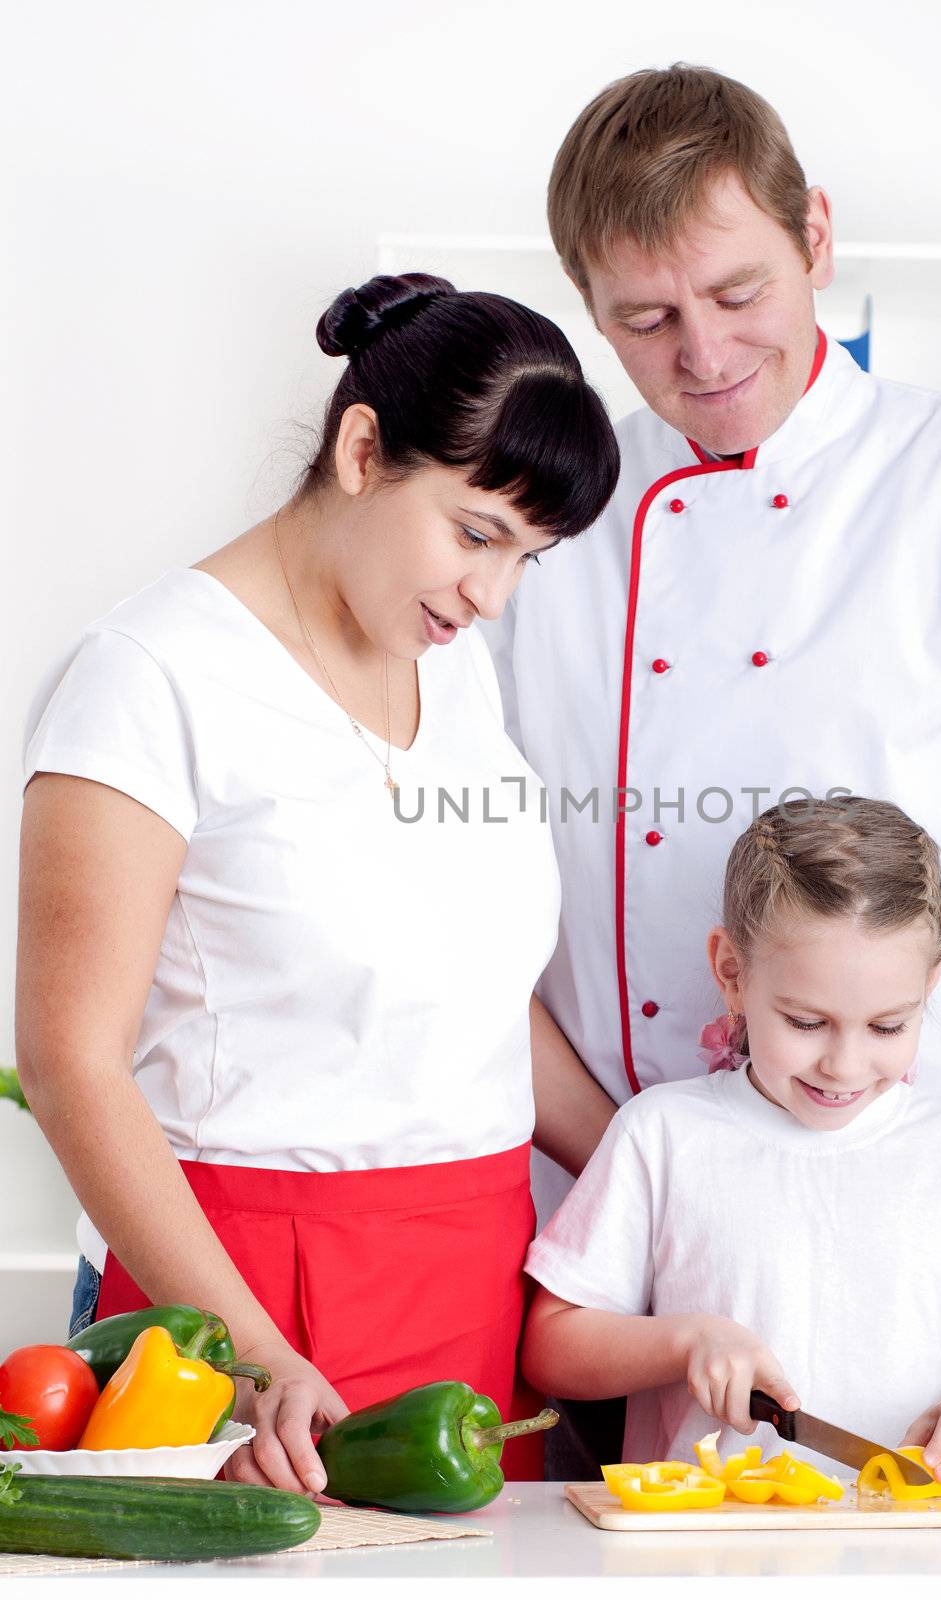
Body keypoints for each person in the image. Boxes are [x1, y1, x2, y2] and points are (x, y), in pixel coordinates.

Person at [482, 64, 941, 1478]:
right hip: (621, 1278)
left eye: (736, 291)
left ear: (814, 234)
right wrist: (657, 1160)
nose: (699, 353)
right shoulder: (544, 527)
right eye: (643, 319)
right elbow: (474, 911)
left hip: (927, 1277)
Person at [16, 272, 620, 1492]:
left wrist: (656, 1171)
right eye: (475, 532)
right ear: (360, 449)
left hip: (479, 1280)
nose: (490, 595)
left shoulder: (450, 666)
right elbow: (70, 1056)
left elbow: (477, 989)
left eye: (528, 559)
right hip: (247, 1302)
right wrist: (251, 1351)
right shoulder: (149, 678)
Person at [522, 796, 941, 1489]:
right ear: (731, 973)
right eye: (804, 1021)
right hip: (700, 1547)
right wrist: (686, 1340)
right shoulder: (663, 1134)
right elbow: (551, 1346)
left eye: (887, 1026)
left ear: (931, 984)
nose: (844, 1065)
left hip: (900, 1546)